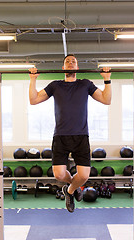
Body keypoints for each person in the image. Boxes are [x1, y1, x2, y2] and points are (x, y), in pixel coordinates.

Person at [29, 54, 111, 212]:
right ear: (63, 68)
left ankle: (70, 190)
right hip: (60, 135)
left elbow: (106, 100)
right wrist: (33, 79)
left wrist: (107, 79)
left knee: (84, 176)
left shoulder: (85, 84)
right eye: (67, 61)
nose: (71, 63)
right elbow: (34, 100)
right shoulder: (56, 85)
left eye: (73, 61)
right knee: (59, 175)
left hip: (81, 135)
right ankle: (73, 186)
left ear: (77, 68)